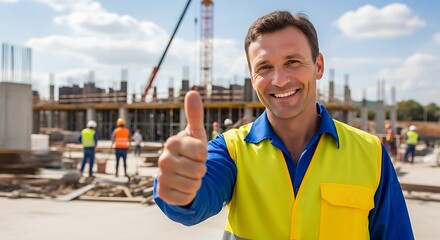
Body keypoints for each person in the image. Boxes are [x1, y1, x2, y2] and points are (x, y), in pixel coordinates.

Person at [153, 11, 414, 239]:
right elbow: (197, 200)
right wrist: (182, 190)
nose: (279, 80)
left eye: (293, 62)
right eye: (264, 67)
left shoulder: (370, 153)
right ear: (252, 77)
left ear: (318, 66)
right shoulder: (231, 150)